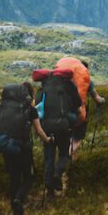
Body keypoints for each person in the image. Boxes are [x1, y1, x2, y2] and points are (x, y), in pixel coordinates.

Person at [0, 82, 53, 215]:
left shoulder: (4, 108)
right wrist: (48, 140)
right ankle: (18, 200)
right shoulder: (31, 110)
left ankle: (15, 210)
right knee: (28, 176)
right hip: (23, 147)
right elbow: (39, 130)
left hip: (6, 145)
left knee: (14, 177)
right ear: (29, 95)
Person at [35, 70, 82, 200]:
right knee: (63, 154)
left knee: (49, 157)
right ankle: (58, 173)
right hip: (63, 126)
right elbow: (77, 103)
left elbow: (37, 109)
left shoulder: (43, 89)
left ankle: (49, 190)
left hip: (46, 127)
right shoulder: (67, 87)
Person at [71, 61, 105, 159]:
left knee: (69, 138)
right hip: (81, 114)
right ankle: (73, 158)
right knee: (77, 139)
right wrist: (102, 101)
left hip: (67, 114)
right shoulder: (87, 81)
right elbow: (97, 98)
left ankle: (66, 162)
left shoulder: (69, 80)